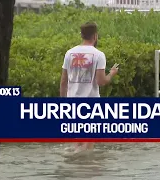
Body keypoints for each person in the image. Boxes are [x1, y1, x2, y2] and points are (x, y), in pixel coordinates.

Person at [60, 22, 119, 154]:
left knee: (76, 141)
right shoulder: (98, 55)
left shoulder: (69, 53)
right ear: (95, 36)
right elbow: (101, 81)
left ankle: (75, 166)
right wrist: (112, 74)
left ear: (82, 35)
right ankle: (87, 169)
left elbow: (63, 81)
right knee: (88, 143)